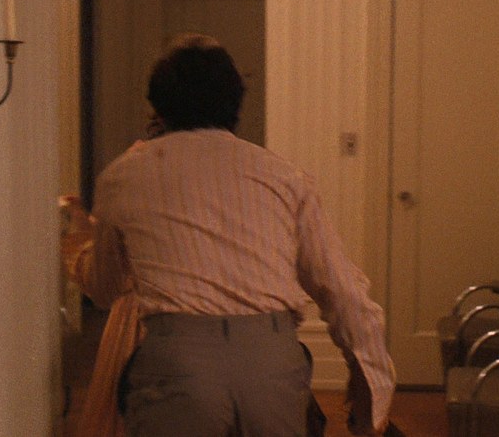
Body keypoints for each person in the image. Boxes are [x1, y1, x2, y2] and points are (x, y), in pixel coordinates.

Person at [64, 33, 394, 436]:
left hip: (178, 361)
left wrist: (77, 243)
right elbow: (341, 289)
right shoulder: (283, 177)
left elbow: (105, 288)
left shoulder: (123, 177)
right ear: (236, 103)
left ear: (158, 107)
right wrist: (369, 386)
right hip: (271, 361)